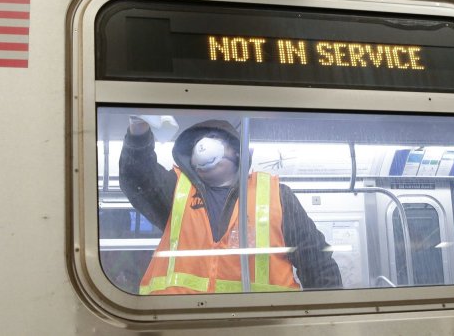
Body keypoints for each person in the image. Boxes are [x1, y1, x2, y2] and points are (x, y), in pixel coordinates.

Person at [119, 117, 342, 295]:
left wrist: (328, 324)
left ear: (236, 150)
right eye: (197, 142)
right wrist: (138, 132)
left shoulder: (277, 195)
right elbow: (137, 177)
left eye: (215, 137)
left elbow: (318, 263)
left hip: (261, 327)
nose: (203, 145)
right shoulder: (176, 190)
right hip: (181, 325)